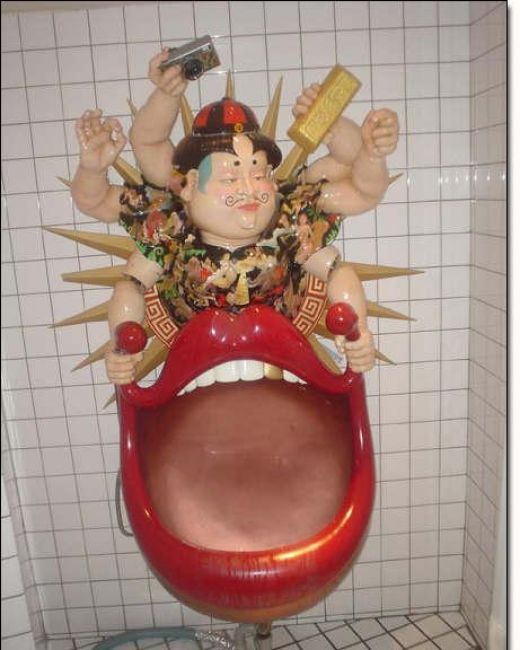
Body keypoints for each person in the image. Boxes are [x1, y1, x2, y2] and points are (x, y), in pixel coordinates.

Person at [71, 49, 399, 385]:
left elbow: (362, 193)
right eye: (229, 178)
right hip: (194, 376)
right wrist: (122, 347)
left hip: (284, 371)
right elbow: (98, 203)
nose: (249, 189)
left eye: (258, 174)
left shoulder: (289, 223)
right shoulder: (170, 228)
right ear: (189, 186)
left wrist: (363, 148)